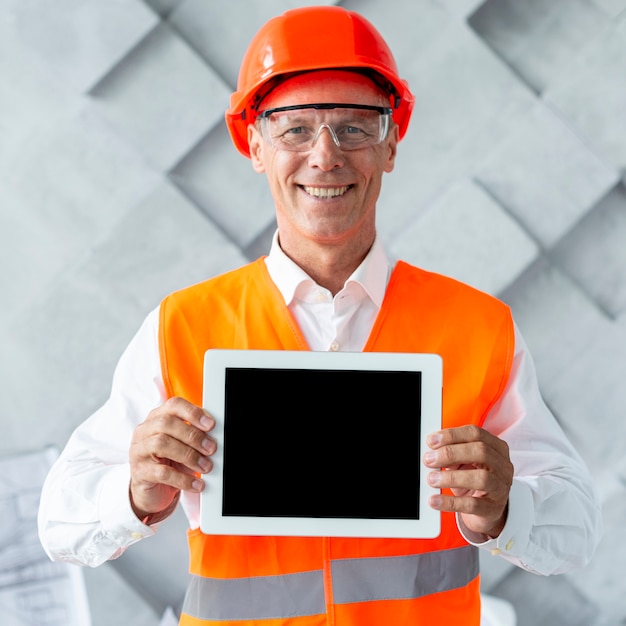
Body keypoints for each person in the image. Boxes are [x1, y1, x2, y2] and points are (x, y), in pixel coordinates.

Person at [39, 6, 601, 625]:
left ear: (391, 144)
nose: (325, 156)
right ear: (255, 145)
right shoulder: (182, 328)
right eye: (294, 128)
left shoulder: (478, 327)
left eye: (355, 128)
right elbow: (59, 524)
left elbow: (575, 531)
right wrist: (135, 493)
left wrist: (504, 509)